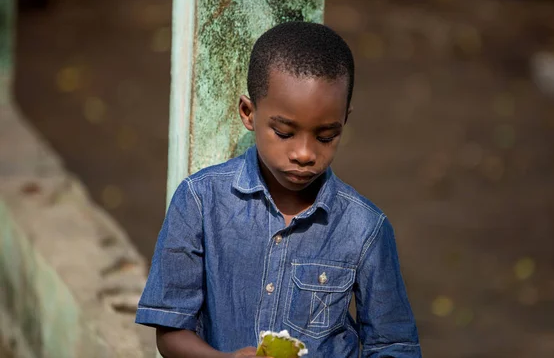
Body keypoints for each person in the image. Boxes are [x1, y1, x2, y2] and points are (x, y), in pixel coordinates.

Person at [135, 21, 421, 358]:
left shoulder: (365, 228)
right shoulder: (200, 201)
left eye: (326, 136)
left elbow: (393, 345)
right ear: (248, 112)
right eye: (284, 133)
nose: (304, 154)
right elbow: (170, 331)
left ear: (345, 119)